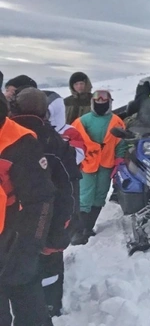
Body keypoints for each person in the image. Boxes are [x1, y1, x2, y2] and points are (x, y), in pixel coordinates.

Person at [9, 88, 80, 317]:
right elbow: (68, 191)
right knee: (46, 276)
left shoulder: (7, 139)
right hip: (46, 228)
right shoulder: (56, 144)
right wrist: (60, 234)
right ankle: (51, 310)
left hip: (9, 231)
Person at [0, 94, 55, 326]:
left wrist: (30, 244)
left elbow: (42, 198)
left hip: (13, 237)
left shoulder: (20, 141)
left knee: (30, 308)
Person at [70, 90, 125, 245]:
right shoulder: (82, 121)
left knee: (99, 197)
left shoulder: (117, 121)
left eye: (104, 101)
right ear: (93, 103)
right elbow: (74, 142)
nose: (101, 103)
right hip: (87, 166)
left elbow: (121, 143)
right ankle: (77, 232)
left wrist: (119, 161)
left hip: (106, 165)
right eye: (98, 101)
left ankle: (88, 228)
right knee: (84, 198)